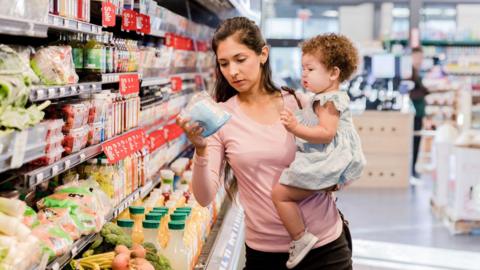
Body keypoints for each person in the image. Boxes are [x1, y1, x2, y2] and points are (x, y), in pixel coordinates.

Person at [177, 17, 353, 269]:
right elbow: (204, 197)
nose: (233, 72)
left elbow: (341, 156)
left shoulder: (300, 103)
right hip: (265, 254)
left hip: (324, 248)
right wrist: (201, 150)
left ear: (263, 54)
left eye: (240, 59)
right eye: (224, 64)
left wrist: (334, 177)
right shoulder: (220, 117)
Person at [271, 34, 366, 268]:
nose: (304, 74)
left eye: (310, 69)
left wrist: (296, 127)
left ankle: (300, 237)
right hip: (331, 157)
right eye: (303, 68)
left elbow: (326, 133)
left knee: (280, 194)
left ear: (333, 73)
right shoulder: (322, 97)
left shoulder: (329, 101)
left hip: (329, 159)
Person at [410, 47, 429, 180]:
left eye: (421, 57)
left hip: (419, 113)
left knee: (417, 142)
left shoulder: (416, 72)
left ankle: (413, 169)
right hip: (414, 114)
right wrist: (425, 91)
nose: (420, 60)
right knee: (414, 142)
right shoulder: (410, 73)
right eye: (418, 57)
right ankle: (411, 170)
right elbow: (412, 93)